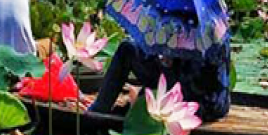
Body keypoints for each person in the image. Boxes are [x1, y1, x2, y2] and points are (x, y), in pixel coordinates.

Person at [89, 39, 231, 122]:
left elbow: (183, 77)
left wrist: (167, 59)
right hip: (219, 106)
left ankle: (97, 111)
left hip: (192, 105)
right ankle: (140, 101)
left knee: (127, 49)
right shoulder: (216, 22)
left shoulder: (184, 24)